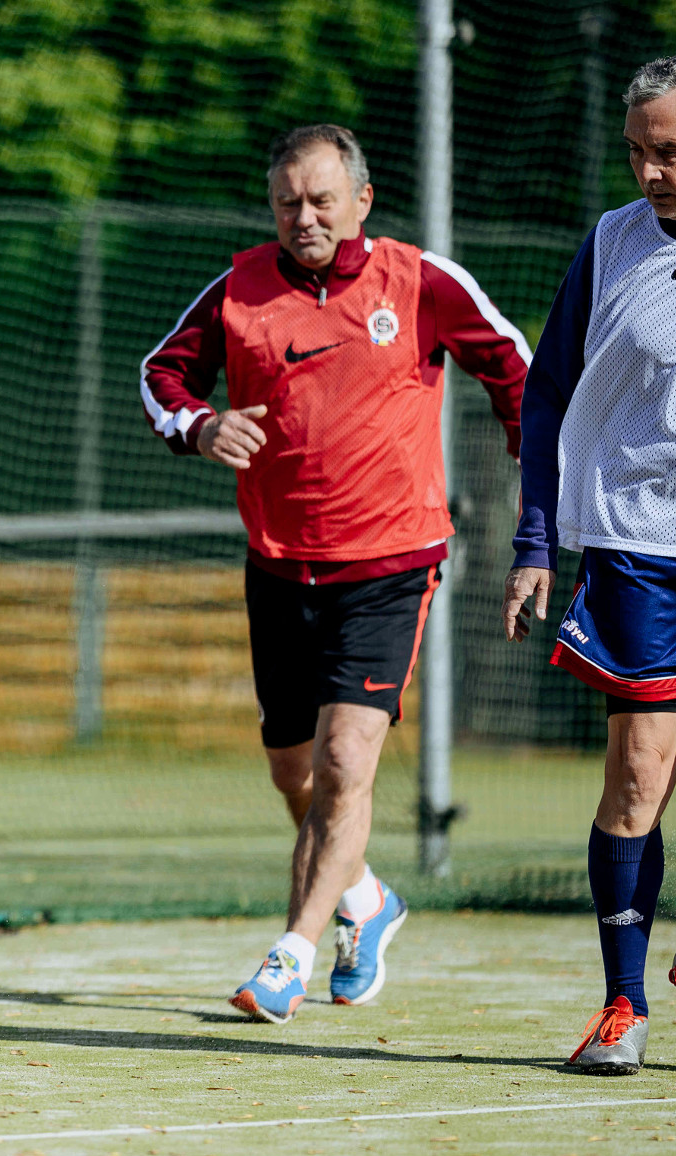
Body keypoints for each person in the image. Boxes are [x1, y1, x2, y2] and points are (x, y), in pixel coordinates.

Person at [141, 123, 529, 1023]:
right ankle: (364, 899)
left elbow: (518, 374)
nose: (304, 217)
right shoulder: (238, 288)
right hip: (279, 567)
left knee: (346, 758)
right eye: (287, 202)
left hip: (392, 563)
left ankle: (292, 951)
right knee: (294, 773)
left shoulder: (421, 281)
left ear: (361, 199)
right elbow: (161, 373)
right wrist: (200, 425)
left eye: (321, 200)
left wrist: (535, 489)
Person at [504, 56, 676, 1076]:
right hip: (638, 543)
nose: (653, 173)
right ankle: (622, 1004)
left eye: (673, 154)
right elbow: (547, 391)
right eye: (640, 153)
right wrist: (535, 541)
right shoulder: (612, 244)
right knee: (639, 774)